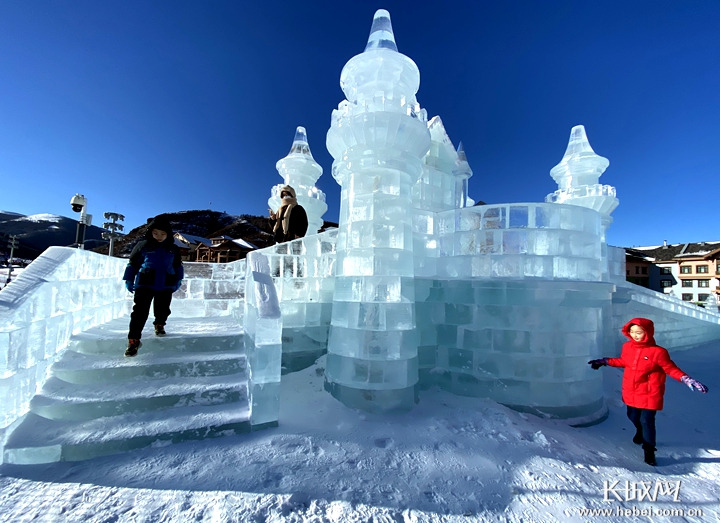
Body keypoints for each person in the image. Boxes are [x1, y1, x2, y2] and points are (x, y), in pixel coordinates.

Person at [589, 317, 708, 466]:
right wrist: (604, 362)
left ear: (648, 332)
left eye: (638, 332)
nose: (635, 335)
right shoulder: (628, 347)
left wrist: (686, 379)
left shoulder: (658, 352)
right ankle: (640, 431)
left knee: (647, 421)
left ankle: (649, 450)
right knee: (632, 416)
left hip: (650, 392)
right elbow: (624, 362)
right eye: (632, 332)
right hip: (631, 390)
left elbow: (670, 368)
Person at [122, 216, 184, 357]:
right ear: (150, 232)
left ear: (168, 234)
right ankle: (133, 341)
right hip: (145, 283)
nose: (159, 237)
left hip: (166, 284)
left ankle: (159, 324)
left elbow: (178, 265)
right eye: (156, 233)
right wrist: (128, 279)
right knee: (139, 312)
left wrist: (178, 279)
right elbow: (132, 263)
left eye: (163, 234)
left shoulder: (173, 249)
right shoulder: (142, 245)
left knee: (163, 309)